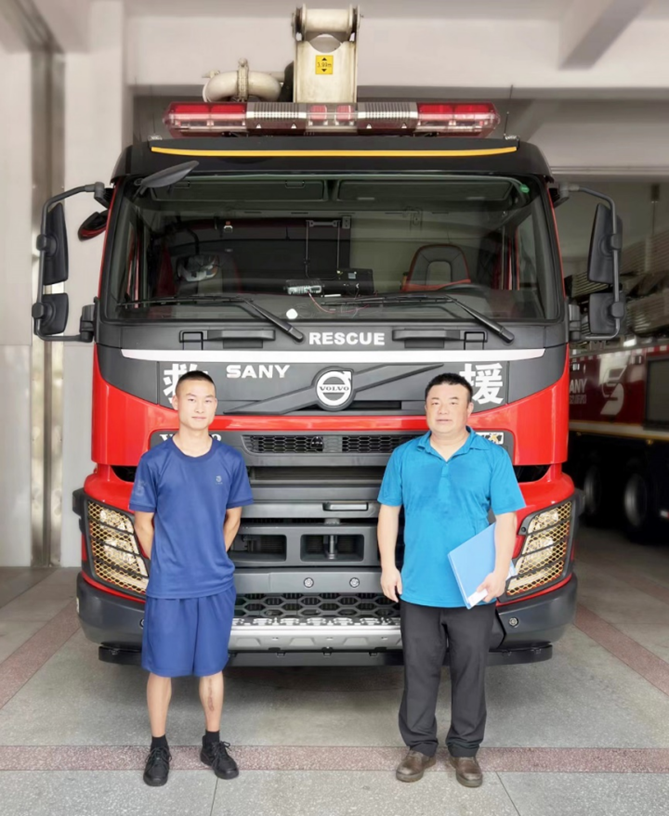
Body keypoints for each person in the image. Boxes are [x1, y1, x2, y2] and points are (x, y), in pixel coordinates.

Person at [377, 372, 525, 787]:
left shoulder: (491, 457)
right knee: (418, 669)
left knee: (470, 670)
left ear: (469, 409)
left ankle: (465, 750)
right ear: (426, 409)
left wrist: (500, 570)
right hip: (418, 585)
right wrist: (388, 566)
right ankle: (420, 747)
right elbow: (388, 512)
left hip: (474, 586)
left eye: (453, 402)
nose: (443, 410)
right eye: (435, 402)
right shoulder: (405, 456)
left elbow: (507, 518)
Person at [130, 370, 253, 787]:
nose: (200, 407)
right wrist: (167, 563)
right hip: (169, 586)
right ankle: (158, 746)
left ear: (215, 406)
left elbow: (233, 518)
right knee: (161, 668)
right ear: (176, 403)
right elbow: (142, 523)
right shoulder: (155, 461)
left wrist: (213, 555)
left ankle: (211, 743)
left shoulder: (230, 461)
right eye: (192, 399)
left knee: (212, 667)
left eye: (208, 400)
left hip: (215, 583)